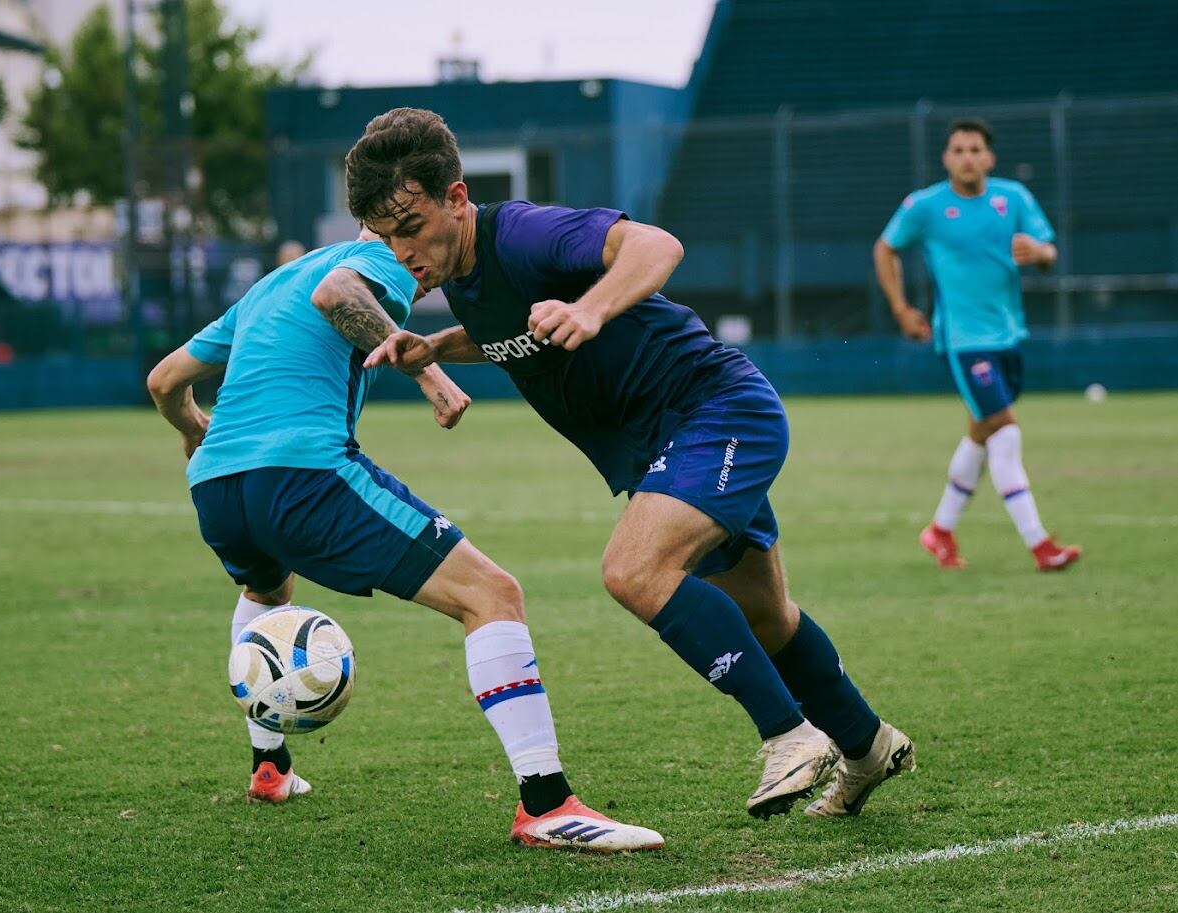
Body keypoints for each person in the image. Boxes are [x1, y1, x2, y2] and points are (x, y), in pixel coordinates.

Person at [348, 107, 914, 819]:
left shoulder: (520, 232)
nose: (401, 250)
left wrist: (592, 310)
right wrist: (435, 347)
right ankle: (867, 745)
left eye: (409, 227)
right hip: (669, 444)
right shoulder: (461, 276)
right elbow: (504, 332)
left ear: (456, 198)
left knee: (634, 570)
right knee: (765, 617)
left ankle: (789, 735)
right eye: (384, 234)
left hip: (715, 410)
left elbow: (655, 245)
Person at [145, 236, 662, 851]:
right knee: (491, 594)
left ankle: (270, 768)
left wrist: (196, 430)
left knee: (267, 586)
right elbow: (340, 295)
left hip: (216, 491)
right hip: (302, 474)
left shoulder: (270, 284)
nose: (425, 277)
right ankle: (547, 806)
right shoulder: (383, 256)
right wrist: (432, 375)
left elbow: (165, 380)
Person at [874, 118, 1081, 572]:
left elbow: (1048, 250)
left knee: (981, 433)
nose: (967, 157)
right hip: (964, 341)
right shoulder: (925, 206)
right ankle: (1041, 545)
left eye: (975, 150)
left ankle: (940, 531)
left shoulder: (1013, 199)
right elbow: (885, 248)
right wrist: (902, 310)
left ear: (989, 157)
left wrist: (1039, 254)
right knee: (1004, 429)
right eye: (958, 150)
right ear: (947, 158)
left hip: (1009, 334)